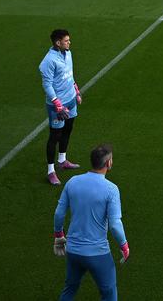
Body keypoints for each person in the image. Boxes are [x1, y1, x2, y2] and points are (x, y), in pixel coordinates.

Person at [53, 143, 130, 301]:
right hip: (98, 253)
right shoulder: (111, 189)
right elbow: (115, 225)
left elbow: (59, 213)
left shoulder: (73, 181)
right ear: (108, 163)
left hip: (73, 251)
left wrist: (59, 235)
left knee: (70, 288)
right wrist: (124, 245)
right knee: (109, 293)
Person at [41, 29, 83, 185]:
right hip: (58, 106)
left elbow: (69, 74)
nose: (69, 42)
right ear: (58, 43)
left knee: (68, 130)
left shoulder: (68, 53)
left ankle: (62, 160)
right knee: (54, 136)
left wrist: (76, 90)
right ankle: (51, 171)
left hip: (71, 100)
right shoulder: (48, 61)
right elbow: (47, 84)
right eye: (66, 41)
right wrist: (57, 103)